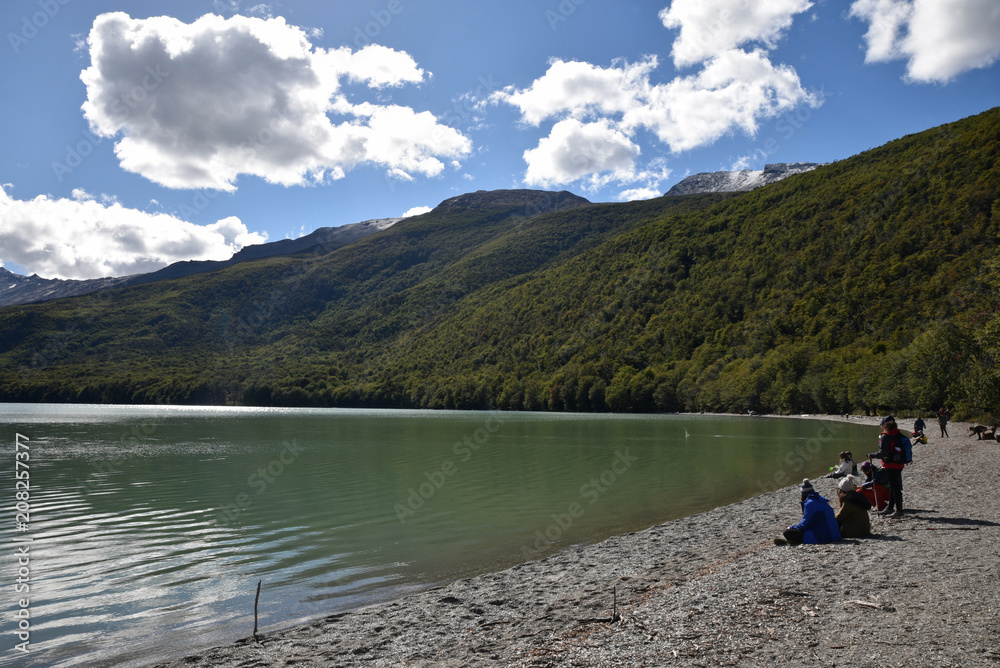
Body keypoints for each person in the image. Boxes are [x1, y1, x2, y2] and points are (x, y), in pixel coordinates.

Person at [774, 478, 841, 545]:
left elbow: (805, 525)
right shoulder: (822, 501)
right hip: (835, 535)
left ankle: (792, 540)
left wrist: (791, 527)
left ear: (803, 495)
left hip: (825, 538)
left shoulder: (810, 504)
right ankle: (792, 540)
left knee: (787, 532)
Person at [868, 415, 910, 518]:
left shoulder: (885, 436)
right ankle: (890, 508)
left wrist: (872, 455)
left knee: (895, 488)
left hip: (890, 465)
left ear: (884, 426)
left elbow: (883, 453)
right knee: (893, 486)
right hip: (899, 464)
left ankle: (899, 511)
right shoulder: (898, 434)